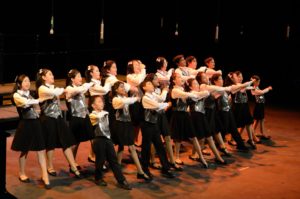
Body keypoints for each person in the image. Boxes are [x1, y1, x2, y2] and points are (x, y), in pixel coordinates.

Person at [36, 68, 82, 178]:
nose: (53, 76)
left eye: (52, 74)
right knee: (50, 144)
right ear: (43, 77)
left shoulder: (55, 88)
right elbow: (54, 93)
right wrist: (64, 90)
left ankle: (73, 166)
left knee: (66, 142)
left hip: (58, 118)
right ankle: (50, 166)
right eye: (50, 74)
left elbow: (62, 92)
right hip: (48, 119)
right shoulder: (42, 88)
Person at [11, 74, 50, 189]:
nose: (27, 83)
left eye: (28, 81)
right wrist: (38, 100)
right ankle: (22, 173)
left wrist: (38, 109)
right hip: (26, 125)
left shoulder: (30, 94)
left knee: (41, 149)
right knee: (24, 150)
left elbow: (35, 107)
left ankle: (45, 176)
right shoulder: (16, 95)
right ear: (19, 84)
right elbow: (25, 103)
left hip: (36, 123)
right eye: (25, 81)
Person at [89, 95, 132, 190]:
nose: (102, 103)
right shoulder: (92, 115)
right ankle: (98, 178)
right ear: (93, 105)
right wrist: (105, 112)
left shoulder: (105, 113)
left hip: (107, 139)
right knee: (100, 161)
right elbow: (98, 117)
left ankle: (121, 180)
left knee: (114, 160)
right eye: (99, 101)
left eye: (102, 101)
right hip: (98, 140)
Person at [111, 81, 151, 182]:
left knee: (125, 147)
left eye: (124, 87)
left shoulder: (125, 98)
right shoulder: (115, 99)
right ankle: (139, 172)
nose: (124, 89)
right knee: (126, 147)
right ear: (116, 90)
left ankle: (122, 169)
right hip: (119, 125)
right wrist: (134, 98)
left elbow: (129, 102)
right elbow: (125, 103)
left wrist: (136, 97)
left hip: (127, 124)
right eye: (121, 87)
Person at [65, 69, 95, 170]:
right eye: (78, 76)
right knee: (75, 143)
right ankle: (72, 164)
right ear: (72, 79)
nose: (80, 78)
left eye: (80, 76)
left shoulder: (80, 87)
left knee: (93, 138)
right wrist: (89, 84)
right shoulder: (69, 88)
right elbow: (79, 90)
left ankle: (95, 158)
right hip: (76, 118)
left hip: (85, 116)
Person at [250, 75, 273, 140]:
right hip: (258, 106)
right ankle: (255, 134)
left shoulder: (257, 87)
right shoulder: (253, 88)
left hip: (261, 105)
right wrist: (268, 88)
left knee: (260, 119)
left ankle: (260, 133)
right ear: (255, 82)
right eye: (258, 82)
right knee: (257, 120)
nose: (259, 83)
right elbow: (261, 92)